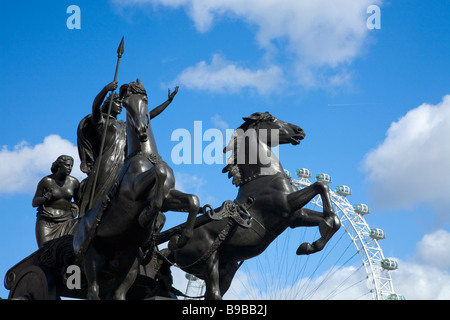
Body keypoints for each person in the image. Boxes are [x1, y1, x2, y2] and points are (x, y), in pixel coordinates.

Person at [33, 155, 80, 248]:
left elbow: (79, 201)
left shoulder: (74, 182)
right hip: (47, 222)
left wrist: (74, 210)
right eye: (67, 165)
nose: (70, 168)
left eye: (71, 166)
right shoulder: (46, 181)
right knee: (45, 252)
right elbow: (34, 203)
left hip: (66, 221)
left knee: (69, 250)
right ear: (59, 166)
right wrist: (44, 199)